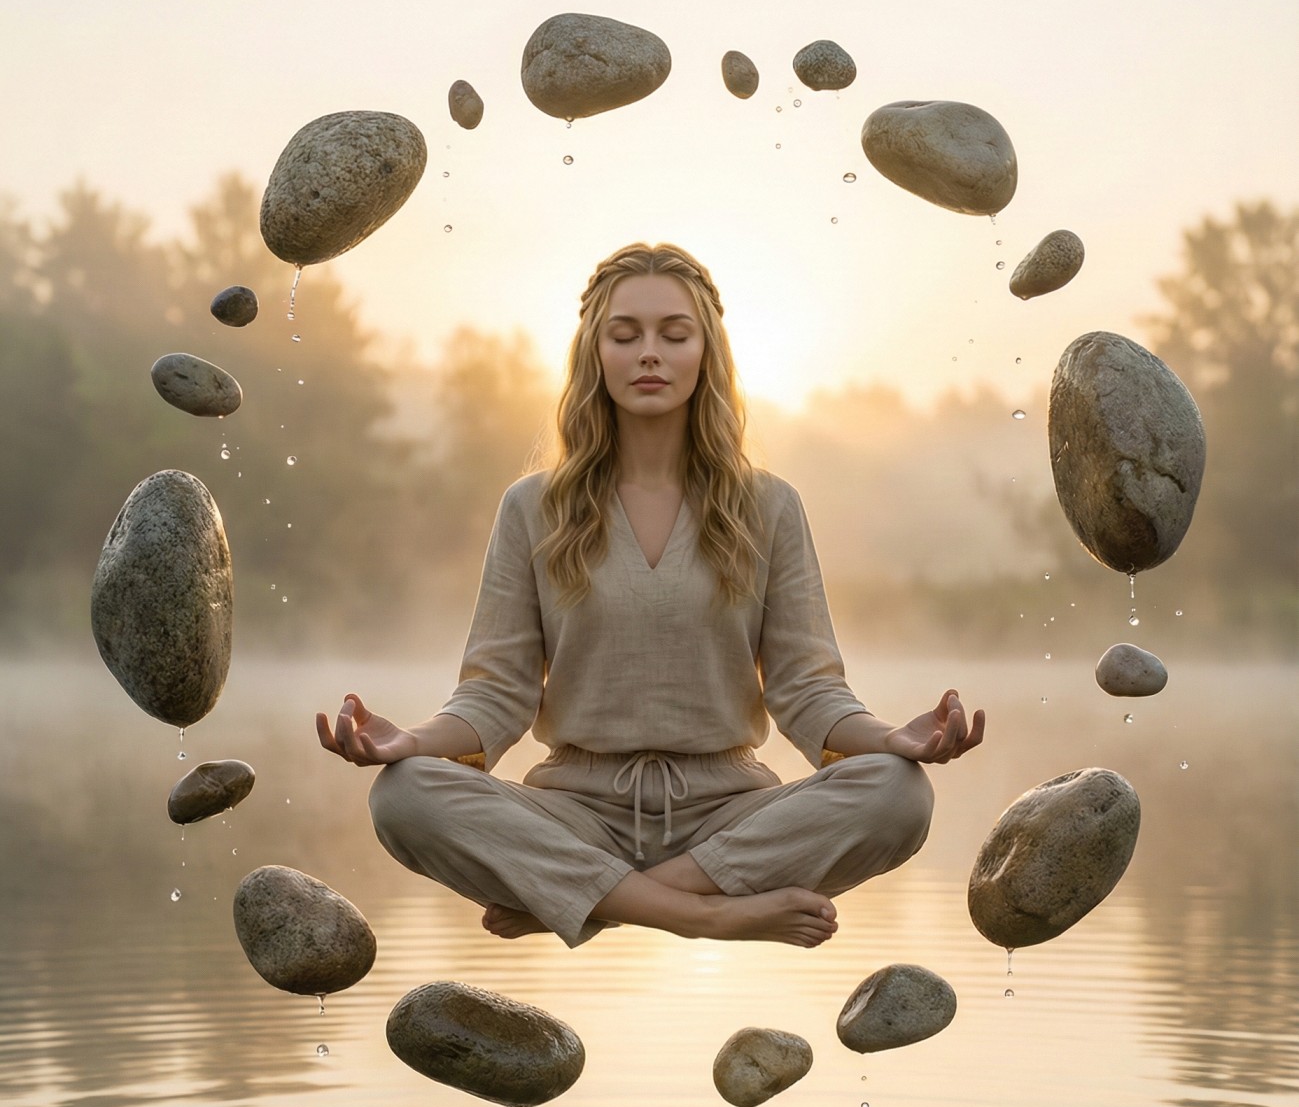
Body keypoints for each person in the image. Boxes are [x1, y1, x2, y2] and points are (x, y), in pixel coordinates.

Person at [317, 242, 984, 951]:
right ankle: (704, 913)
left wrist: (891, 739)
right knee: (404, 794)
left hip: (728, 815)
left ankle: (589, 899)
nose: (648, 354)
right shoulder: (532, 507)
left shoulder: (769, 506)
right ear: (595, 353)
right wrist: (410, 741)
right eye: (624, 334)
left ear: (706, 353)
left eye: (674, 334)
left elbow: (806, 689)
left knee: (899, 792)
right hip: (574, 813)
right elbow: (496, 694)